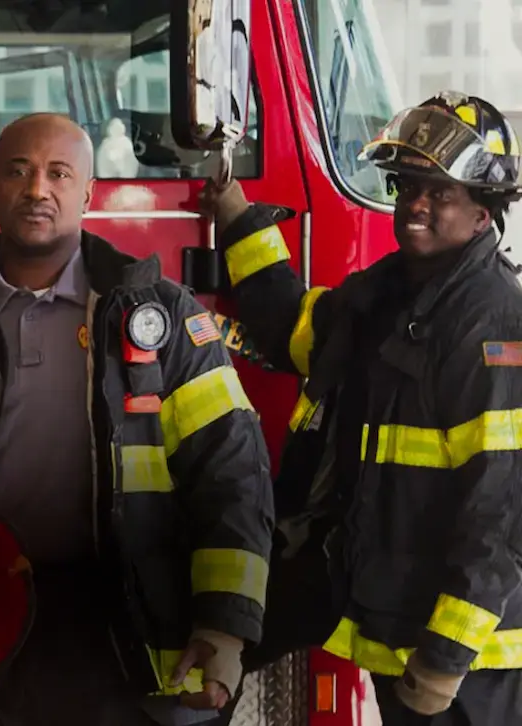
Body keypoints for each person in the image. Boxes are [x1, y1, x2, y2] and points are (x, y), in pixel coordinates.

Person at [0, 112, 275, 725]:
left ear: (88, 193)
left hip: (123, 629)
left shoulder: (165, 321)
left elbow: (232, 473)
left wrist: (224, 628)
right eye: (19, 171)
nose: (38, 189)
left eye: (59, 174)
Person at [202, 91, 522, 724]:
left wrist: (446, 658)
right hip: (391, 617)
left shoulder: (491, 321)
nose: (416, 205)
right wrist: (241, 223)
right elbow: (296, 327)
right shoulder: (385, 294)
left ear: (484, 213)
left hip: (470, 663)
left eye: (440, 192)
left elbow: (500, 511)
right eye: (407, 187)